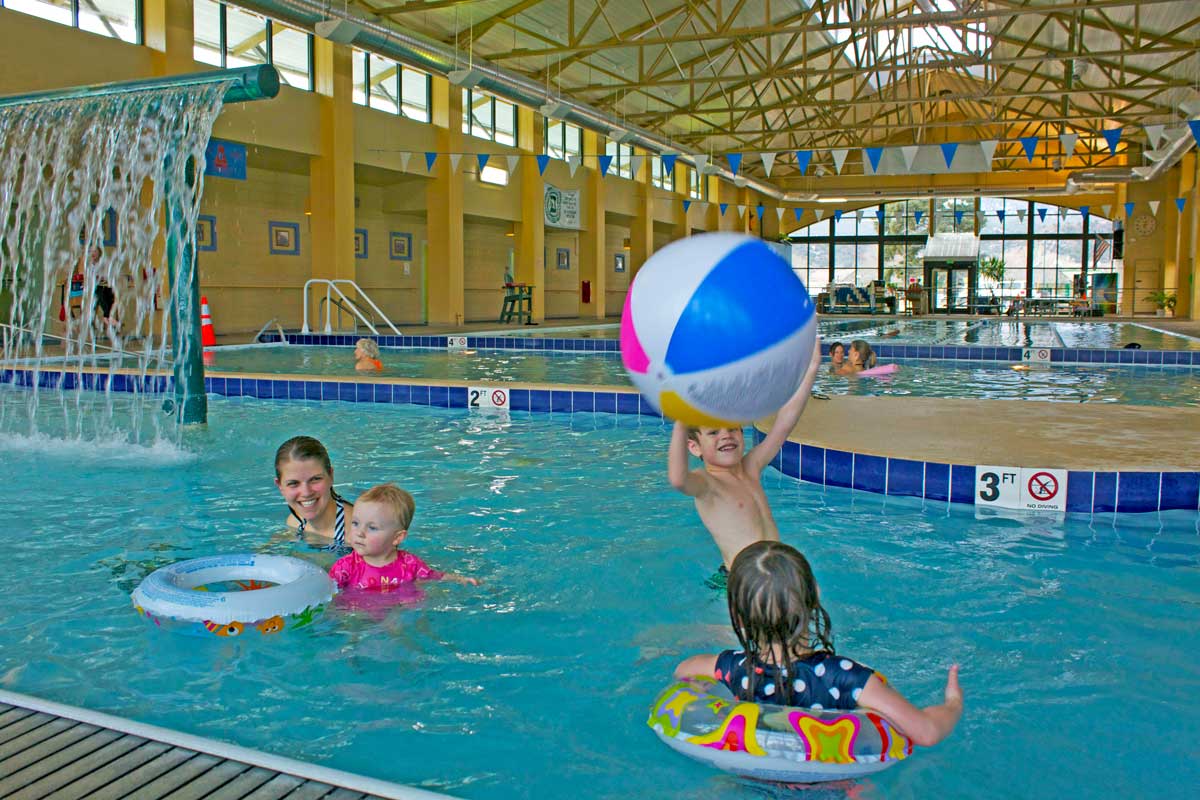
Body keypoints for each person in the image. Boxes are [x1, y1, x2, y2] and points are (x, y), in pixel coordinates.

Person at [674, 541, 963, 747]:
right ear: (814, 599)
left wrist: (702, 690)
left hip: (752, 779)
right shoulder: (845, 677)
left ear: (735, 614)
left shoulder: (734, 668)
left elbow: (684, 670)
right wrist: (952, 703)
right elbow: (926, 733)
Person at [668, 339, 824, 582]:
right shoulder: (707, 483)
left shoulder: (751, 467)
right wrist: (681, 417)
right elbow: (678, 480)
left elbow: (783, 425)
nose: (726, 435)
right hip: (741, 582)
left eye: (733, 428)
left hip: (776, 573)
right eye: (713, 432)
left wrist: (811, 369)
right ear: (694, 447)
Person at [329, 483, 479, 590]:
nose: (359, 532)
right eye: (355, 523)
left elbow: (434, 576)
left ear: (397, 538)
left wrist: (460, 579)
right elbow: (326, 592)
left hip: (398, 611)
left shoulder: (409, 564)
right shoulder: (345, 568)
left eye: (372, 527)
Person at [274, 436, 354, 551]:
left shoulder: (360, 533)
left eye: (315, 479)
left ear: (331, 476)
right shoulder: (295, 523)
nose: (306, 493)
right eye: (293, 483)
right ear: (280, 486)